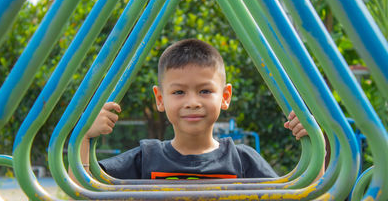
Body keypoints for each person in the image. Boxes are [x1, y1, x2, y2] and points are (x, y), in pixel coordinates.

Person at [73, 38, 308, 180]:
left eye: (205, 91)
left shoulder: (242, 160)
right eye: (179, 92)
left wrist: (312, 143)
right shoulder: (146, 158)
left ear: (225, 96)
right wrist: (84, 136)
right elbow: (80, 197)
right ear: (160, 98)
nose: (193, 102)